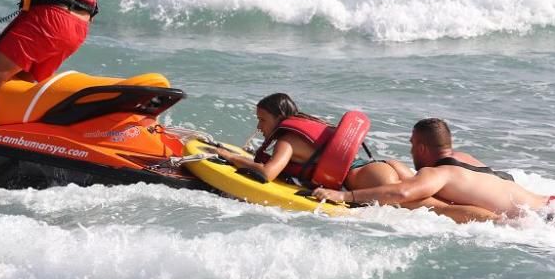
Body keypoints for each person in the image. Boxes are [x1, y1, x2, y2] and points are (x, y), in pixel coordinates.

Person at [212, 95, 497, 223]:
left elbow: (267, 174)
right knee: (443, 205)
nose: (260, 126)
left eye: (263, 119)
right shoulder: (309, 127)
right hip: (382, 168)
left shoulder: (287, 139)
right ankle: (498, 215)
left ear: (279, 118)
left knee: (438, 210)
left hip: (368, 177)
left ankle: (499, 222)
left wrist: (231, 159)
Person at [313, 117, 555, 220]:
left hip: (544, 221)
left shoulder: (437, 174)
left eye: (413, 145)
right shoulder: (467, 159)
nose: (411, 151)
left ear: (423, 149)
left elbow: (402, 194)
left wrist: (345, 196)